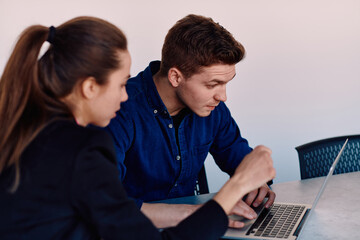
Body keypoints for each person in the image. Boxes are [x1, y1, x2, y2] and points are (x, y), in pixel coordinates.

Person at [0, 16, 276, 239]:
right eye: (121, 84)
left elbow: (236, 151)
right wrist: (234, 189)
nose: (123, 96)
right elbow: (122, 213)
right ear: (90, 88)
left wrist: (250, 181)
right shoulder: (87, 143)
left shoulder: (34, 132)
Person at [106, 14, 276, 228]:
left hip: (190, 230)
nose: (223, 96)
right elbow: (104, 203)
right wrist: (200, 213)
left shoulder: (213, 109)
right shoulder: (118, 110)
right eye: (212, 84)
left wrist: (257, 183)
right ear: (175, 77)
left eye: (226, 83)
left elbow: (237, 155)